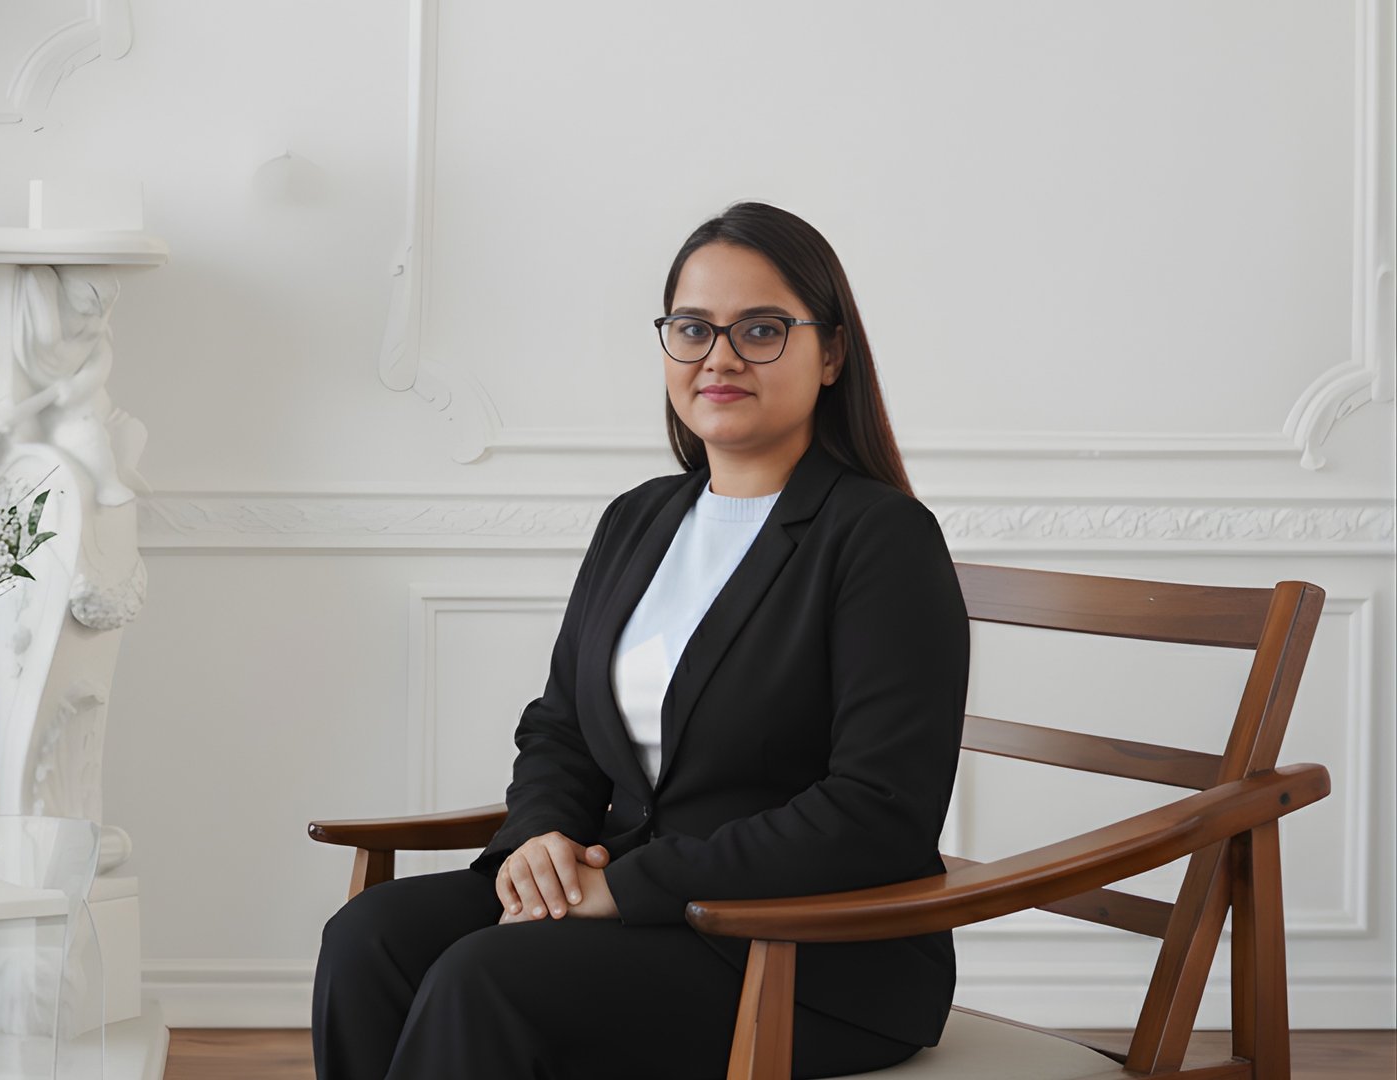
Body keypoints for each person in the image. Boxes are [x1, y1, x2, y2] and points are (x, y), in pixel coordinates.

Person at [312, 201, 971, 1080]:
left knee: (489, 978)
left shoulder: (879, 538)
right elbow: (562, 727)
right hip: (641, 901)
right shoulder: (641, 519)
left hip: (807, 949)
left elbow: (879, 812)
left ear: (832, 353)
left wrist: (620, 888)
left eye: (763, 329)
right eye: (693, 329)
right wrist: (541, 838)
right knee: (371, 938)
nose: (721, 358)